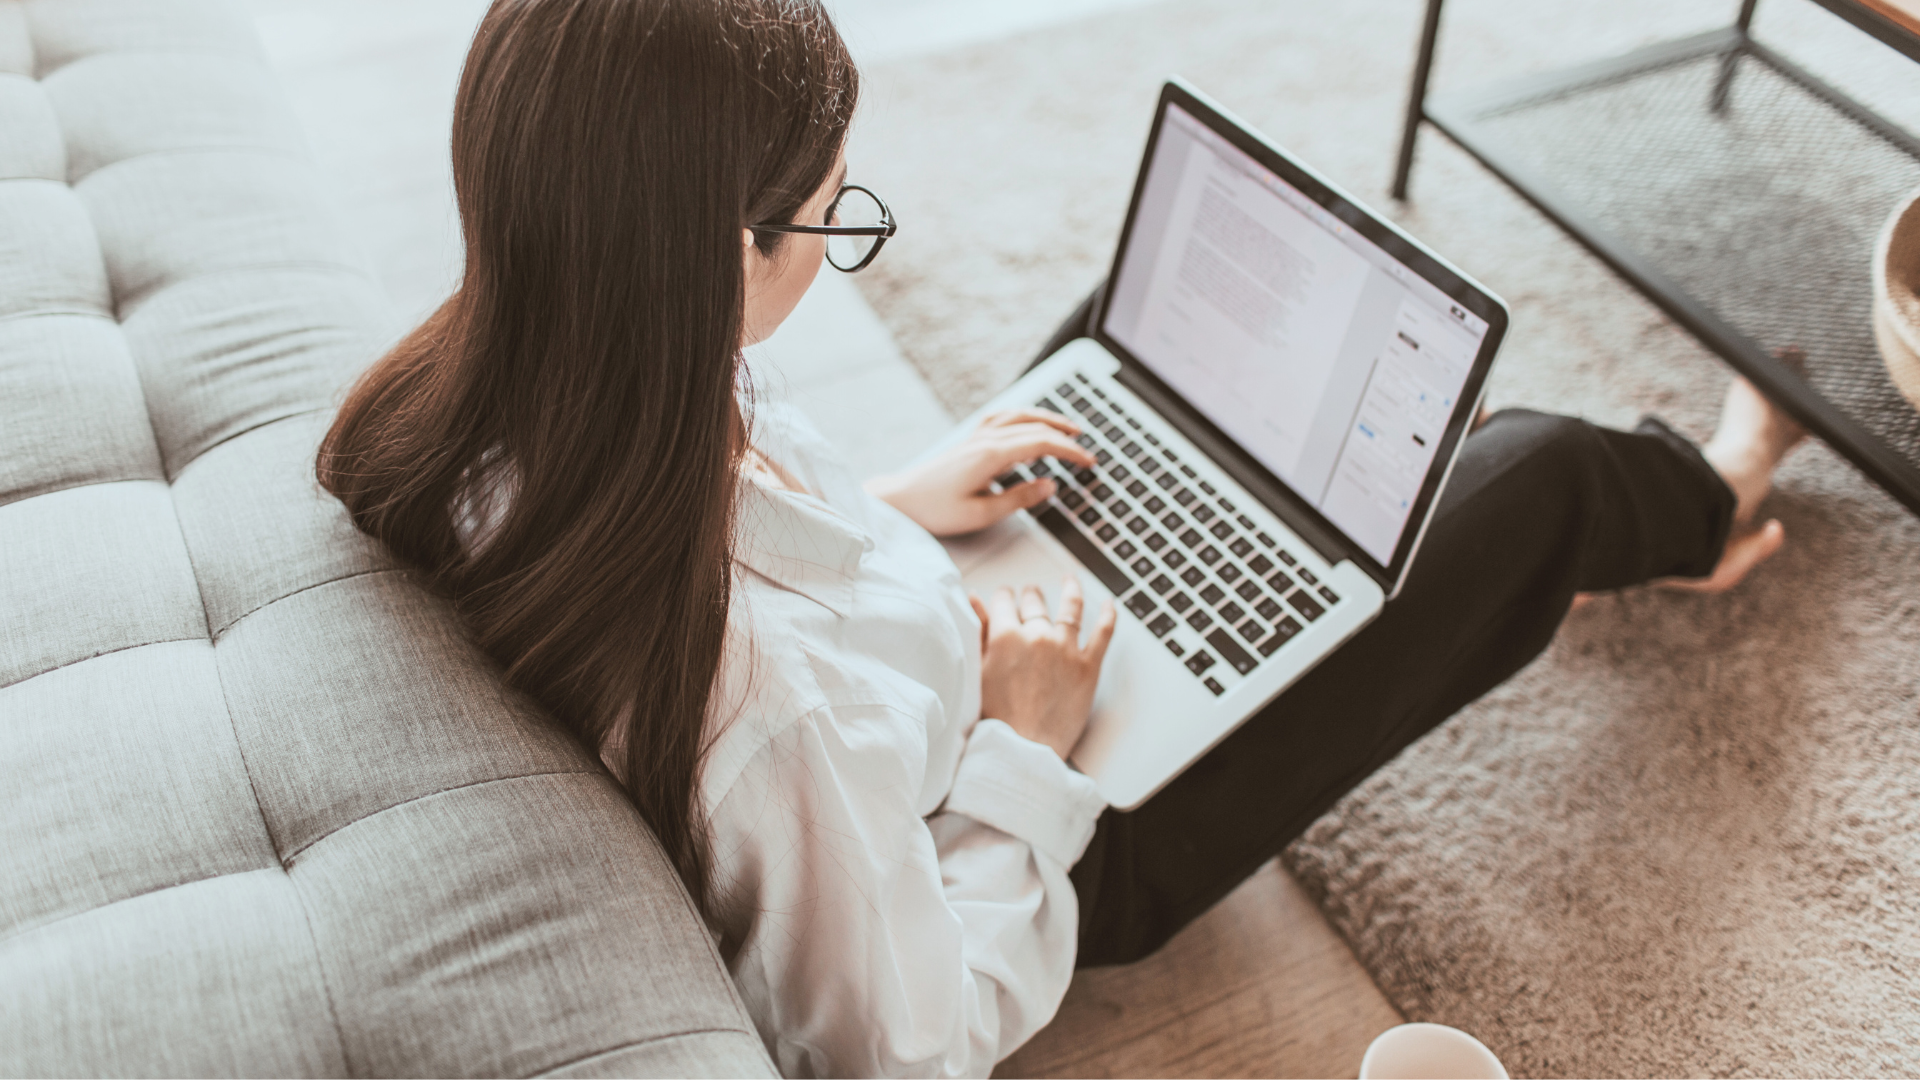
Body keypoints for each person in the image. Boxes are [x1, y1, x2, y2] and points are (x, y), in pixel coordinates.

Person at [316, 0, 1806, 1075]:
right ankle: (1713, 495)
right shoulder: (769, 722)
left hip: (932, 656)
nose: (841, 246)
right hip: (1043, 840)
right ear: (725, 252)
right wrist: (1027, 746)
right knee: (1532, 476)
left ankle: (1329, 491)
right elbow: (909, 1043)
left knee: (1124, 358)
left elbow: (734, 564)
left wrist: (896, 507)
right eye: (837, 225)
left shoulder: (510, 387)